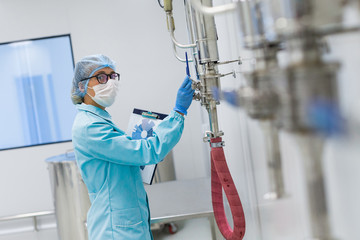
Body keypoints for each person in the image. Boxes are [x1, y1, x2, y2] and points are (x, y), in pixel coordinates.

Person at [71, 54, 194, 240]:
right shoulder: (89, 126)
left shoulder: (99, 119)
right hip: (115, 230)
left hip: (126, 225)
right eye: (101, 77)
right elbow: (148, 151)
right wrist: (178, 112)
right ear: (82, 86)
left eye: (113, 76)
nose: (110, 82)